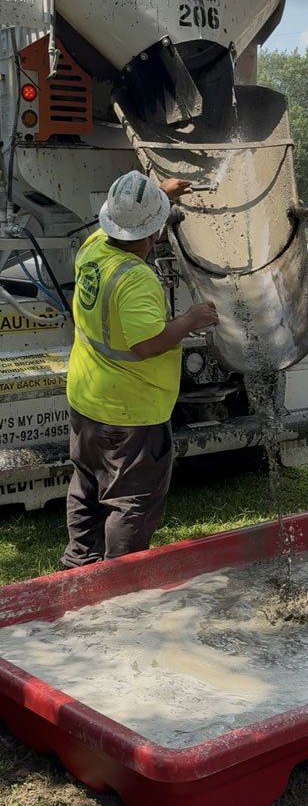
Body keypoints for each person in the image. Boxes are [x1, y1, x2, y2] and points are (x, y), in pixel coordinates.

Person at [61, 170, 218, 568]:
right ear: (153, 233)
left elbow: (126, 226)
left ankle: (80, 562)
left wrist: (158, 194)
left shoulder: (94, 250)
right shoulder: (136, 280)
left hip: (88, 402)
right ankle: (121, 579)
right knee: (132, 501)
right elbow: (146, 343)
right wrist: (190, 319)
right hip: (130, 415)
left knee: (87, 486)